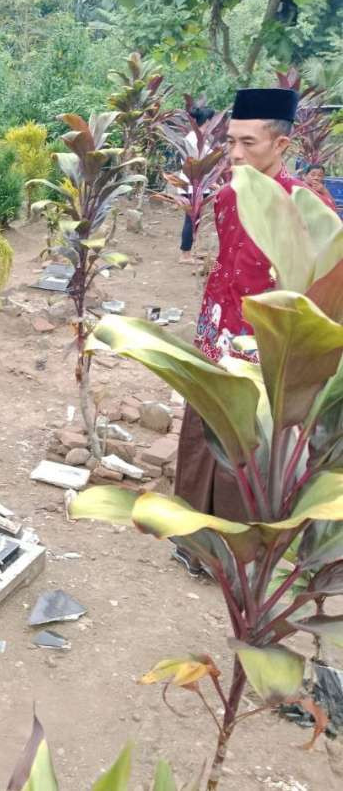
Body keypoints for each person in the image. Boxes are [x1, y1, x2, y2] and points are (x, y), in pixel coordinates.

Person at [173, 88, 335, 576]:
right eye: (230, 143)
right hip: (217, 332)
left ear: (282, 144)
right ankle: (191, 538)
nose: (236, 154)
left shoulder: (306, 206)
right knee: (205, 432)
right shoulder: (226, 195)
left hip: (270, 346)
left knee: (251, 443)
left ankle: (241, 552)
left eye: (249, 143)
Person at [178, 105, 215, 265]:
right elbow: (197, 165)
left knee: (195, 219)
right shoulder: (194, 139)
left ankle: (190, 251)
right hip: (193, 187)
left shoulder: (196, 137)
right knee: (191, 219)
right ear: (207, 121)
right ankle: (185, 255)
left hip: (198, 186)